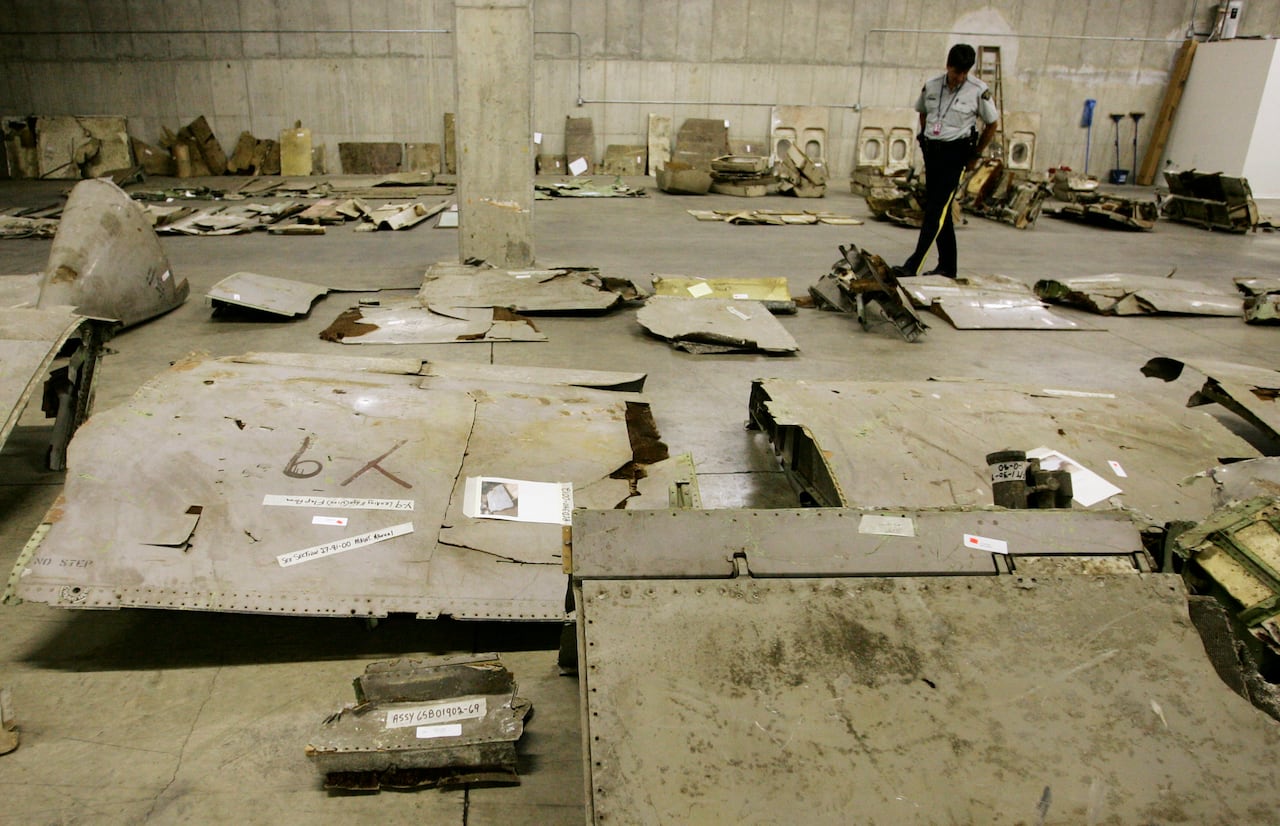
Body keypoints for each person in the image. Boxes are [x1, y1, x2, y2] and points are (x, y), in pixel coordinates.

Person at [901, 43, 1000, 278]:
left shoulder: (978, 90)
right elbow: (922, 110)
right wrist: (926, 140)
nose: (961, 77)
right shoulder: (932, 85)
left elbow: (992, 123)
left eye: (965, 73)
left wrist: (975, 155)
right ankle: (947, 267)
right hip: (933, 153)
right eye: (957, 72)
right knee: (940, 210)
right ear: (948, 66)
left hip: (956, 155)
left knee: (935, 211)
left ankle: (913, 265)